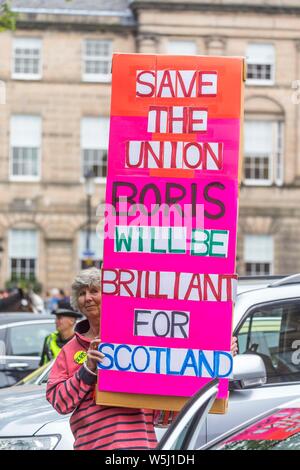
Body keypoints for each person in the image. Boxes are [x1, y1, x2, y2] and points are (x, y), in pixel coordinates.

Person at [46, 267, 238, 451]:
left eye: (94, 291)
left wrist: (218, 361)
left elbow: (164, 412)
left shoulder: (138, 339)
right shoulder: (70, 350)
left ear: (110, 296)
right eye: (81, 293)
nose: (87, 298)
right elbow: (59, 402)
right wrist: (87, 370)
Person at [40, 300, 82, 366]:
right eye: (56, 318)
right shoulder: (49, 339)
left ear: (72, 320)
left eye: (59, 318)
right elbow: (42, 366)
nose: (56, 321)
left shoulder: (81, 342)